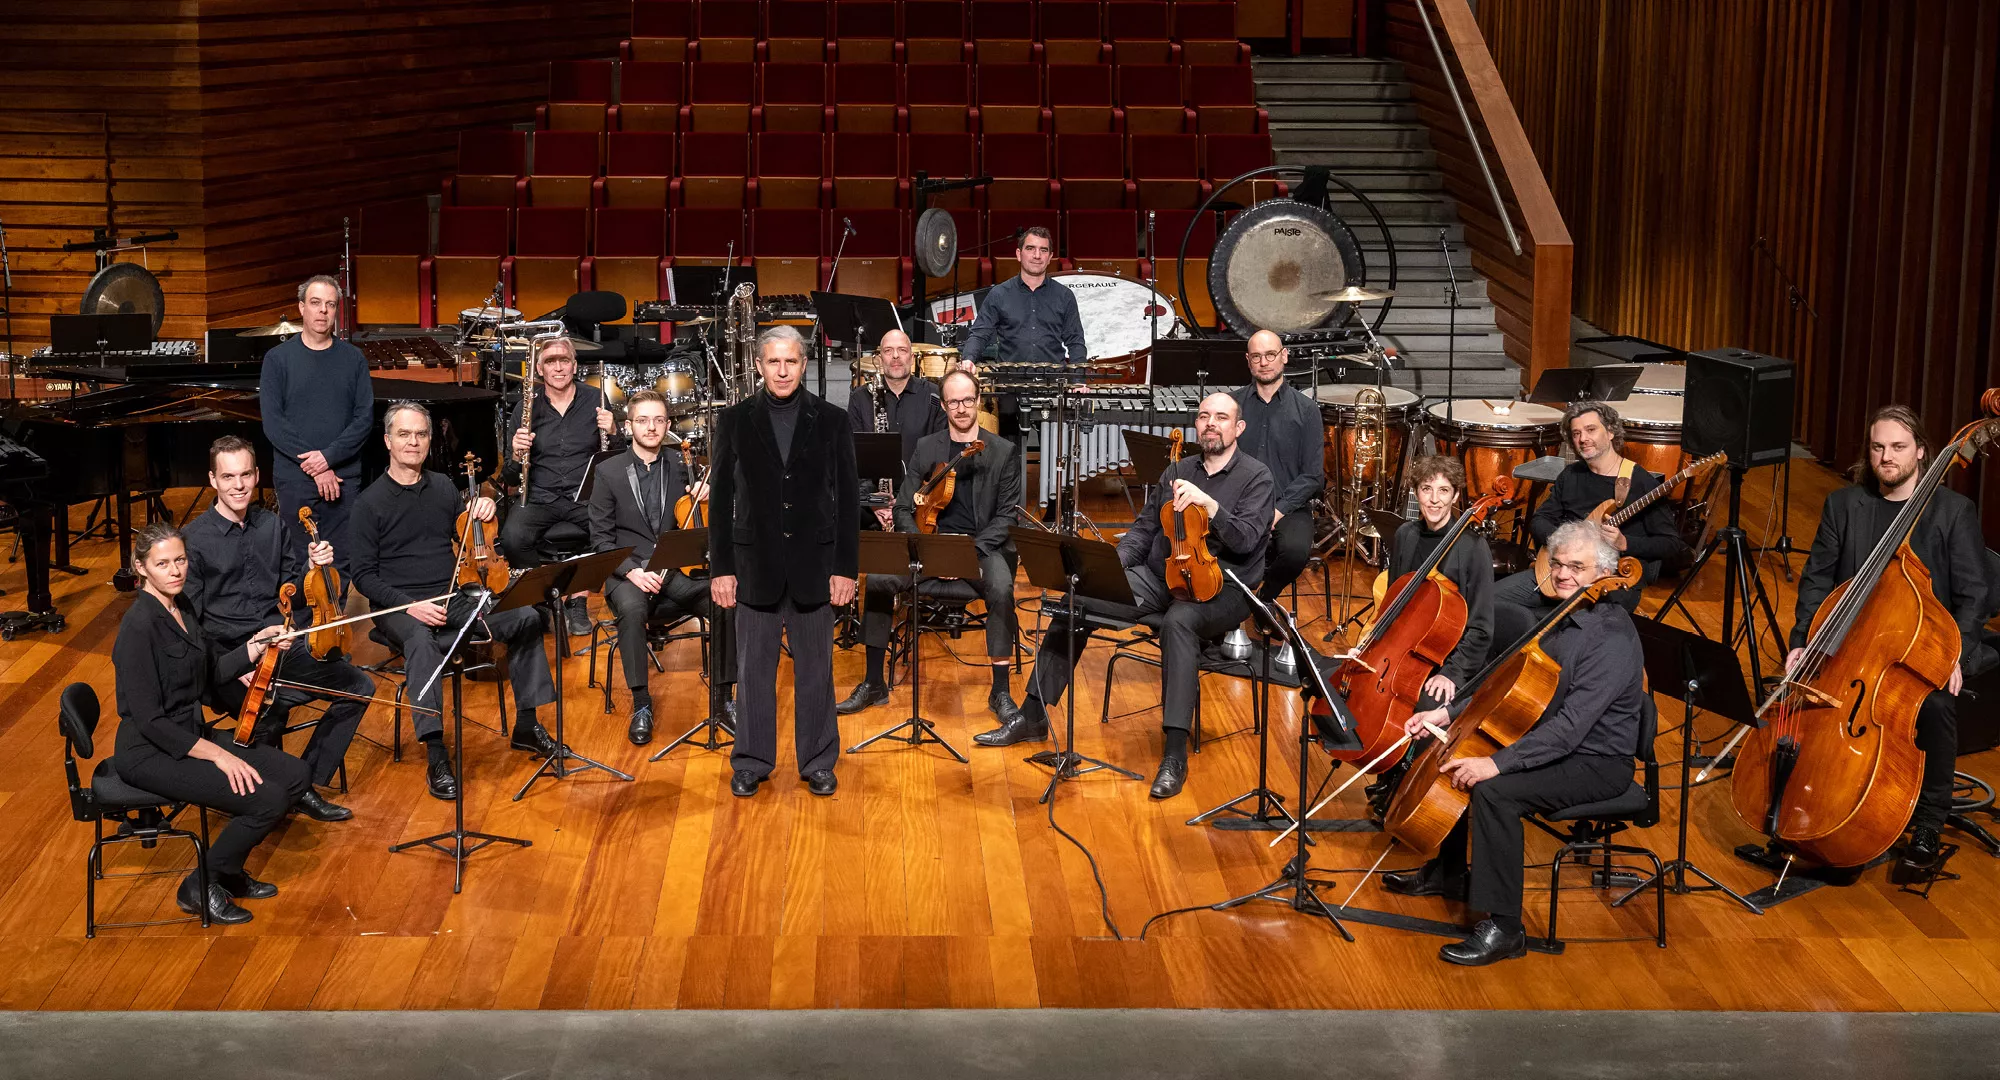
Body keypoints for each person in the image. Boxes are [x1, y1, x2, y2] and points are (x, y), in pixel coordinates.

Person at [976, 392, 1274, 799]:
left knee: (1179, 623)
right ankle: (1032, 715)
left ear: (1238, 428)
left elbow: (1247, 540)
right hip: (1160, 576)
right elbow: (1145, 529)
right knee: (1079, 595)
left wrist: (1211, 505)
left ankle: (1173, 753)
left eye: (1221, 417)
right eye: (1204, 416)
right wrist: (1110, 566)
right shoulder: (1177, 470)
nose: (1210, 423)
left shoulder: (1257, 477)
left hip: (1221, 588)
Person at [1387, 520, 1647, 966]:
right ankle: (1449, 873)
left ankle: (1506, 928)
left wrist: (1500, 764)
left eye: (1577, 568)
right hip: (1555, 741)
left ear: (1604, 574)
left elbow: (1571, 729)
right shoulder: (1562, 617)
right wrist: (1446, 713)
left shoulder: (1610, 639)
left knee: (1493, 790)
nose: (1564, 575)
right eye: (1559, 564)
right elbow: (1499, 680)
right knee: (1463, 755)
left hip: (1596, 760)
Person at [1788, 405, 1991, 875]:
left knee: (1936, 707)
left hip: (1925, 646)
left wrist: (1952, 652)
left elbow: (1975, 594)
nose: (1887, 457)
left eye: (1898, 447)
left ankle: (1927, 824)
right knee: (1811, 696)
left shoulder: (1952, 511)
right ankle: (1809, 797)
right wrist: (1804, 639)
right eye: (1878, 447)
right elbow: (1817, 580)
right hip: (1854, 642)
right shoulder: (1844, 505)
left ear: (1922, 452)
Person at [349, 401, 562, 801]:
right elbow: (362, 576)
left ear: (430, 440)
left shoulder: (443, 487)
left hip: (450, 595)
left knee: (525, 618)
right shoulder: (369, 503)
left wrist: (481, 509)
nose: (413, 442)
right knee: (421, 641)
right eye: (404, 435)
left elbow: (465, 533)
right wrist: (408, 606)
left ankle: (527, 726)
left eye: (421, 434)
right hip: (398, 607)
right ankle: (435, 753)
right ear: (387, 441)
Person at [111, 521, 312, 925]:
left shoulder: (181, 608)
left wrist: (258, 643)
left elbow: (211, 672)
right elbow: (150, 722)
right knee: (267, 799)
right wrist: (219, 755)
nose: (175, 570)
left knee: (294, 774)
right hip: (149, 751)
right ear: (141, 569)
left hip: (188, 735)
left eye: (180, 560)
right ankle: (200, 885)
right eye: (163, 563)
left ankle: (228, 872)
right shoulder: (137, 628)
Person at [182, 436, 372, 823]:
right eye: (228, 476)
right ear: (213, 480)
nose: (238, 485)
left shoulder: (274, 525)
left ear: (256, 476)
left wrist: (313, 570)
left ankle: (303, 784)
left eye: (246, 475)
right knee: (269, 709)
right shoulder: (193, 540)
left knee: (359, 686)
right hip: (227, 658)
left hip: (279, 644)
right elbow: (191, 627)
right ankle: (264, 797)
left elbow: (293, 597)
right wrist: (242, 659)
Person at [708, 326, 859, 798]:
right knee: (753, 671)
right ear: (758, 366)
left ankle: (818, 760)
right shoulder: (734, 420)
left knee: (817, 670)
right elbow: (720, 501)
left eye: (790, 362)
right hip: (755, 567)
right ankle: (752, 760)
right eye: (772, 362)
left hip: (816, 566)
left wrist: (845, 569)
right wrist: (721, 569)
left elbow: (849, 500)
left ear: (804, 364)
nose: (782, 370)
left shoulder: (832, 420)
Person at [839, 369, 1025, 721]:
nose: (961, 408)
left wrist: (965, 553)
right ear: (944, 405)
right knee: (878, 579)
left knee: (1001, 588)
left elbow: (1006, 518)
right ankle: (874, 681)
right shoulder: (928, 448)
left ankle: (999, 691)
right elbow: (905, 506)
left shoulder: (1003, 451)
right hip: (929, 546)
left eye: (968, 400)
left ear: (978, 401)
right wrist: (927, 547)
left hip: (978, 549)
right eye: (954, 402)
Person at [588, 390, 735, 746]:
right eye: (642, 420)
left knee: (724, 599)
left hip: (676, 573)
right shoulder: (607, 472)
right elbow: (600, 541)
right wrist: (633, 571)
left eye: (658, 420)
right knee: (632, 607)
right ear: (628, 426)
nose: (651, 427)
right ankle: (641, 704)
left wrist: (708, 497)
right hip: (630, 574)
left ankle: (723, 699)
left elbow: (705, 526)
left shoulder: (684, 465)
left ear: (668, 425)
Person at [1489, 401, 1687, 653]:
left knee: (1564, 627)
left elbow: (1672, 544)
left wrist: (1626, 543)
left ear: (1611, 432)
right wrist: (1566, 546)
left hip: (1610, 581)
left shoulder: (1639, 481)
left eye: (1591, 430)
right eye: (1576, 433)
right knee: (1491, 603)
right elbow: (1539, 520)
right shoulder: (1571, 476)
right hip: (1556, 572)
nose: (1583, 439)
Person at [1361, 456, 1496, 817]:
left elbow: (1482, 627)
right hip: (1408, 648)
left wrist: (1452, 674)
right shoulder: (1406, 535)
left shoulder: (1472, 548)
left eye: (1443, 491)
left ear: (1455, 497)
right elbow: (1395, 601)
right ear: (1416, 494)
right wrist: (1374, 645)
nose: (1434, 499)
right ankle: (1383, 767)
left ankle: (1406, 786)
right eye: (1426, 490)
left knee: (1422, 701)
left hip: (1450, 659)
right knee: (1368, 684)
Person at [499, 335, 620, 637]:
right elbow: (511, 477)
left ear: (574, 365)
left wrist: (615, 431)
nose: (558, 367)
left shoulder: (596, 400)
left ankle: (577, 600)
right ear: (539, 369)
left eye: (564, 360)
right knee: (513, 537)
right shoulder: (525, 408)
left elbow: (617, 459)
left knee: (609, 533)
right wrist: (515, 454)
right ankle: (541, 601)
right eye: (550, 361)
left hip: (585, 496)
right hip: (540, 497)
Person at [259, 275, 375, 589]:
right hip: (296, 477)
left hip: (342, 476)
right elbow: (273, 423)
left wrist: (328, 458)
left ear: (337, 311)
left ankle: (332, 632)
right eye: (315, 303)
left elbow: (364, 419)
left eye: (330, 304)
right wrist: (315, 465)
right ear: (301, 308)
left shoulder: (353, 359)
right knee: (299, 560)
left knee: (342, 560)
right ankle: (303, 635)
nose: (322, 311)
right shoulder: (277, 360)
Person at [1230, 330, 1325, 601]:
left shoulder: (1307, 410)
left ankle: (1263, 600)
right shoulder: (1232, 404)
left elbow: (1313, 476)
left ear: (1283, 356)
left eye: (1270, 354)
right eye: (1257, 356)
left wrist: (1277, 511)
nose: (1264, 362)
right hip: (1239, 502)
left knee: (1295, 552)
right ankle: (1221, 610)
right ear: (1248, 360)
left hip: (1288, 505)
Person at [848, 329, 945, 531]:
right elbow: (852, 457)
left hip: (919, 499)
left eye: (902, 350)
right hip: (873, 499)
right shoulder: (860, 398)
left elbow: (939, 458)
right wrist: (875, 502)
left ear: (912, 356)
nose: (895, 356)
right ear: (878, 358)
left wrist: (905, 503)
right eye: (888, 350)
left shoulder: (933, 396)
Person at [959, 226, 1087, 368]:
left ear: (1050, 257)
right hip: (1008, 384)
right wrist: (968, 358)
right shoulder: (999, 294)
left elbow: (1076, 342)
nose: (1037, 255)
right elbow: (979, 334)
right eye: (1030, 248)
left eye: (1043, 250)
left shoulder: (1064, 296)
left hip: (1054, 383)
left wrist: (1078, 381)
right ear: (1019, 254)